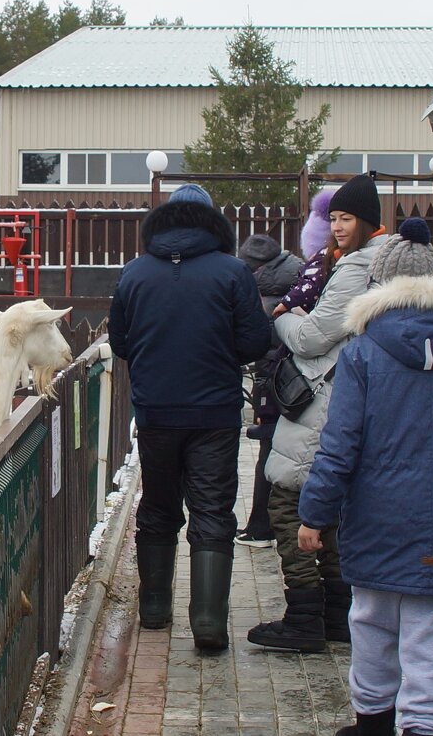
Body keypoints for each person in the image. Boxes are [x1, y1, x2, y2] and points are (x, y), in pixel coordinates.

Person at [297, 219, 433, 736]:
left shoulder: (363, 353)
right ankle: (424, 725)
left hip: (376, 521)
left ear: (383, 287)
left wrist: (314, 515)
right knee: (431, 637)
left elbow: (339, 446)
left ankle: (371, 723)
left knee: (370, 625)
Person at [108, 183, 271, 651]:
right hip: (214, 414)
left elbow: (120, 342)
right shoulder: (233, 272)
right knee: (212, 510)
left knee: (158, 506)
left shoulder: (135, 273)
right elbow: (255, 341)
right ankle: (208, 624)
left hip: (156, 412)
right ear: (211, 223)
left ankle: (155, 609)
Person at [251, 174, 388, 652]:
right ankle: (335, 616)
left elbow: (311, 338)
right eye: (333, 218)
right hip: (349, 396)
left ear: (368, 221)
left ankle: (304, 618)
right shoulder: (381, 263)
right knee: (327, 510)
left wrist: (284, 314)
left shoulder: (355, 268)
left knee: (288, 502)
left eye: (346, 218)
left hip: (323, 402)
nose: (337, 228)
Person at [235, 232, 303, 547]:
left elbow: (257, 338)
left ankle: (262, 527)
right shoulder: (299, 278)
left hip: (276, 380)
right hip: (296, 379)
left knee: (268, 448)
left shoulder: (266, 296)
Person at [273, 188, 334, 316]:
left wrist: (285, 303)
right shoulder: (325, 259)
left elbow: (309, 286)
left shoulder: (320, 261)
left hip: (312, 315)